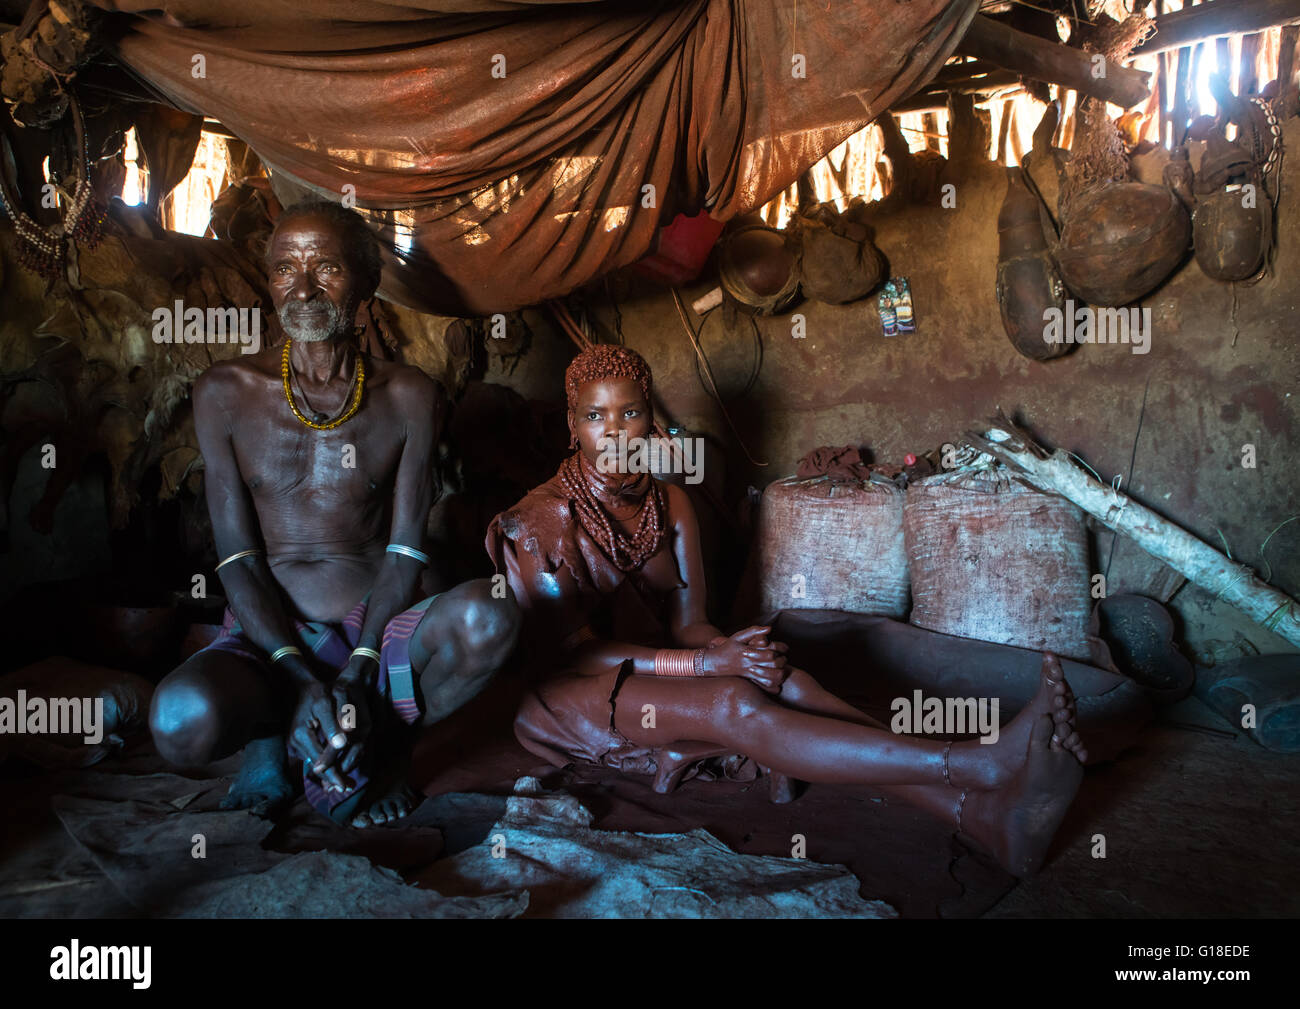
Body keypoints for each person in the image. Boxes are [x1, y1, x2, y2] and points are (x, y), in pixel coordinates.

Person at [487, 344, 1087, 877]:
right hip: (573, 695)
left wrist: (737, 650)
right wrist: (707, 669)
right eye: (595, 417)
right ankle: (978, 765)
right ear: (573, 426)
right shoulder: (541, 521)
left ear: (650, 419)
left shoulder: (671, 503)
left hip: (660, 667)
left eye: (630, 413)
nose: (615, 432)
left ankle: (983, 818)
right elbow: (578, 652)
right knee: (733, 701)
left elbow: (689, 625)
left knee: (785, 679)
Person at [150, 200, 520, 828]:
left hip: (376, 627)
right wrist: (295, 673)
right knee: (178, 721)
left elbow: (407, 548)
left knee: (493, 612)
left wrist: (361, 663)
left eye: (327, 268)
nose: (303, 287)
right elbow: (236, 557)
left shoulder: (410, 395)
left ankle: (385, 747)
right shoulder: (224, 391)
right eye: (284, 270)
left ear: (368, 283)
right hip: (269, 635)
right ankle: (277, 731)